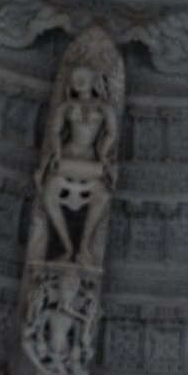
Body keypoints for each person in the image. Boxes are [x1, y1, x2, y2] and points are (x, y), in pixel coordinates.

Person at [40, 65, 118, 265]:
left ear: (94, 80)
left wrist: (102, 152)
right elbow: (55, 131)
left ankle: (84, 245)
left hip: (90, 160)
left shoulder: (103, 107)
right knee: (49, 195)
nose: (79, 81)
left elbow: (111, 131)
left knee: (102, 196)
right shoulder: (65, 106)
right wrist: (57, 153)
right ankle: (66, 246)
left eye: (84, 77)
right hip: (68, 156)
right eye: (75, 77)